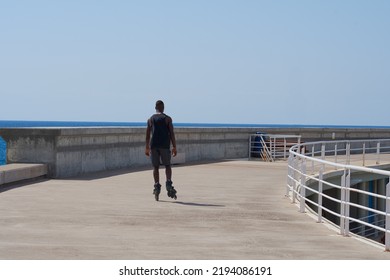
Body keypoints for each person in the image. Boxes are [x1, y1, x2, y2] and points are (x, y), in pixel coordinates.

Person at [145, 100, 177, 201]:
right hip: (165, 146)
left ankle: (157, 186)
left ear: (155, 108)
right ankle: (168, 182)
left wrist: (147, 147)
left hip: (154, 146)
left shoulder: (150, 119)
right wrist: (174, 147)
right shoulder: (167, 119)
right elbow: (171, 133)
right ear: (163, 108)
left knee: (155, 167)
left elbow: (147, 134)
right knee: (167, 165)